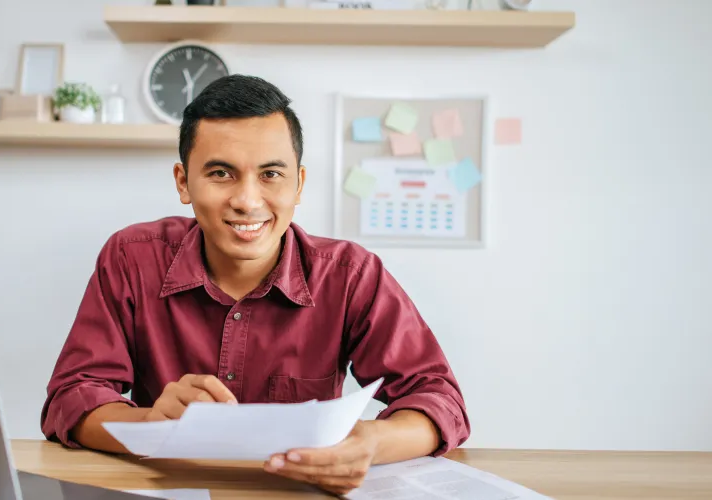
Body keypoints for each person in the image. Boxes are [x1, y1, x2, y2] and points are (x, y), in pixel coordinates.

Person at [41, 75, 470, 496]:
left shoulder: (351, 275)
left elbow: (439, 399)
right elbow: (72, 395)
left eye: (270, 175)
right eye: (222, 173)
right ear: (182, 182)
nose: (247, 200)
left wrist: (369, 444)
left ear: (298, 184)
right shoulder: (131, 257)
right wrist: (150, 424)